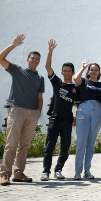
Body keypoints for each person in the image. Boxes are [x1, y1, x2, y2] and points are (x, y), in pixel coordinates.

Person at [0, 34, 44, 186]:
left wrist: (38, 113)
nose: (35, 60)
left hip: (32, 113)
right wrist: (13, 45)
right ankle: (5, 174)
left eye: (37, 59)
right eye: (32, 58)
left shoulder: (40, 78)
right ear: (27, 59)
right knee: (11, 143)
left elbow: (39, 98)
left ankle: (19, 173)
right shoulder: (17, 70)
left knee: (24, 145)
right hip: (16, 109)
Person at [41, 39, 79, 181]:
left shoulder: (76, 88)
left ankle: (58, 170)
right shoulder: (57, 82)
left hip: (67, 121)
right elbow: (47, 66)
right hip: (55, 118)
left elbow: (77, 104)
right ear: (62, 72)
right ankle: (46, 172)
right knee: (49, 147)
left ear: (73, 72)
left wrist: (76, 116)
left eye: (70, 71)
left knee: (65, 148)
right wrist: (50, 51)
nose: (67, 73)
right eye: (65, 71)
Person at [73, 59, 101, 180]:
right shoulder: (83, 82)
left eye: (96, 70)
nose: (94, 72)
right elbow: (75, 79)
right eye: (92, 70)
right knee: (81, 142)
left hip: (97, 110)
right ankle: (77, 172)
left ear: (99, 72)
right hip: (83, 110)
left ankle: (87, 171)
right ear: (89, 71)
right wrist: (83, 67)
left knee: (91, 143)